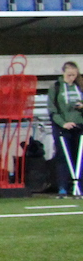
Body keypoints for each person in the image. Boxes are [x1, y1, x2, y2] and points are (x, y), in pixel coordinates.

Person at [51, 61, 83, 196]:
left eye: (74, 75)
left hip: (79, 126)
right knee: (63, 156)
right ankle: (62, 186)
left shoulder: (80, 86)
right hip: (62, 127)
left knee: (79, 157)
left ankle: (78, 187)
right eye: (69, 75)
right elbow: (52, 109)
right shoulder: (56, 87)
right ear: (63, 73)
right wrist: (63, 123)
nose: (71, 78)